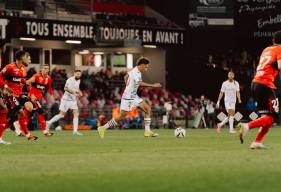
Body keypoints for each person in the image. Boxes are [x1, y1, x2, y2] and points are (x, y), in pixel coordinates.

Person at [98, 57, 162, 138]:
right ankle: (102, 128)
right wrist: (153, 85)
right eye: (146, 66)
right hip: (128, 97)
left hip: (133, 95)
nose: (147, 68)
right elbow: (140, 83)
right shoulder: (136, 72)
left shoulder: (136, 70)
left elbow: (125, 76)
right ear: (141, 65)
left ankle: (147, 131)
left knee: (147, 109)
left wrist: (128, 86)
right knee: (121, 117)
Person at [238, 31, 281, 149]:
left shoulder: (266, 50)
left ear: (273, 40)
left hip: (255, 83)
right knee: (273, 117)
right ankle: (247, 126)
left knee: (266, 118)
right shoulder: (280, 49)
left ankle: (256, 142)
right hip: (266, 85)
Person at [1, 50, 38, 140]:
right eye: (26, 57)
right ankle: (26, 133)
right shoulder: (10, 67)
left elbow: (21, 80)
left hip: (19, 94)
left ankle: (15, 124)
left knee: (30, 107)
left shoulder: (23, 69)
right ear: (21, 58)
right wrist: (5, 86)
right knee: (17, 113)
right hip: (10, 94)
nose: (28, 59)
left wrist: (26, 84)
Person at [46, 69, 83, 136]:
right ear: (74, 74)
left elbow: (77, 88)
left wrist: (80, 92)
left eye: (79, 74)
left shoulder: (79, 80)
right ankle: (49, 122)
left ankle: (75, 131)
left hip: (73, 100)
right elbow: (65, 88)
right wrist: (73, 92)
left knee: (76, 113)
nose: (78, 75)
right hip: (66, 100)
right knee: (61, 115)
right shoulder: (69, 80)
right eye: (77, 74)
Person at [26, 64, 53, 136]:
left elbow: (49, 86)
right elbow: (27, 82)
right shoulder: (37, 76)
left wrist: (51, 94)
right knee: (41, 112)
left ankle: (18, 127)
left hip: (38, 98)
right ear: (41, 69)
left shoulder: (48, 78)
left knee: (28, 114)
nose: (46, 70)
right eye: (44, 68)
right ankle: (45, 131)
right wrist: (31, 94)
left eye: (47, 68)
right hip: (32, 98)